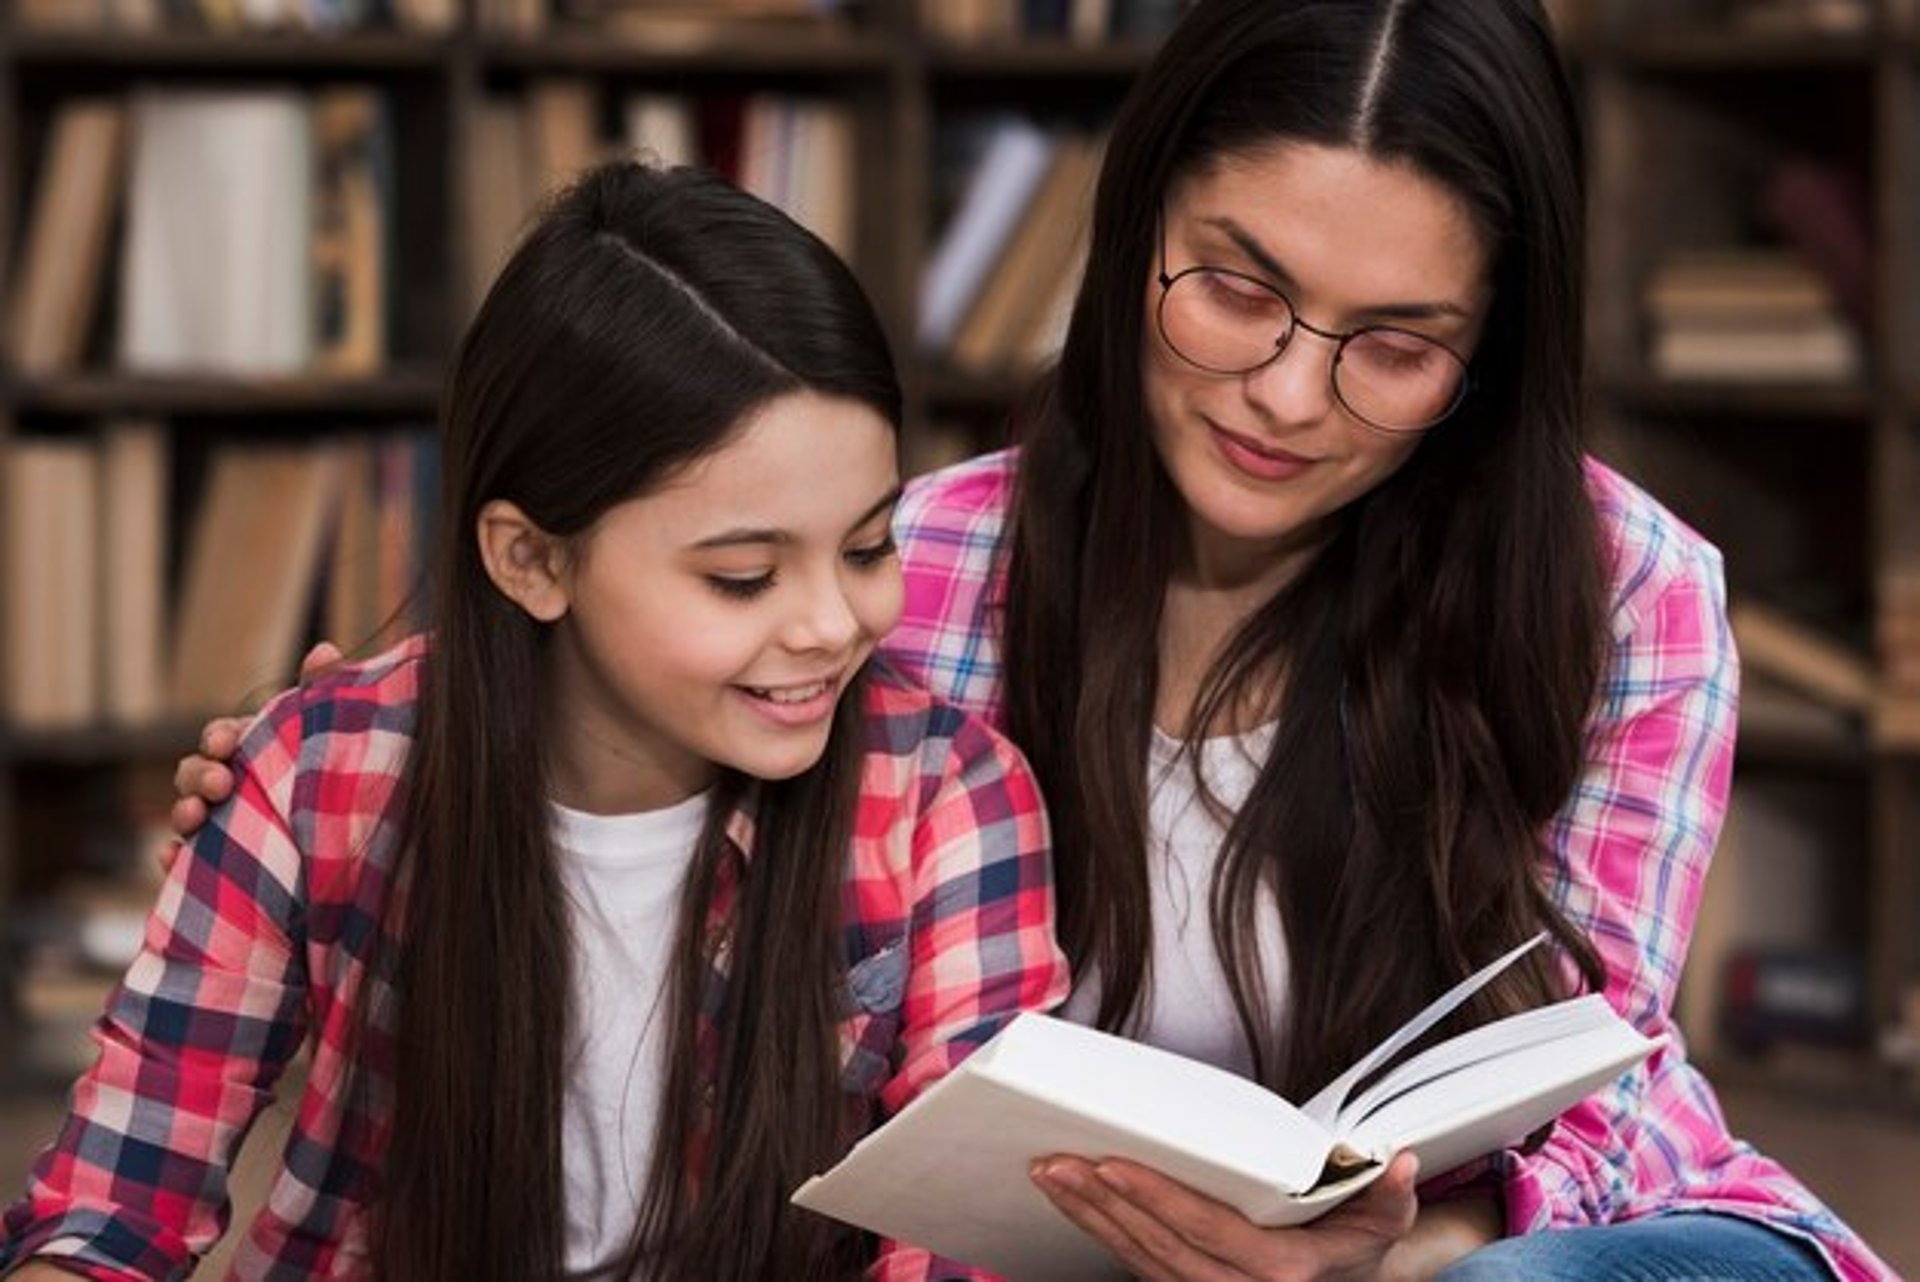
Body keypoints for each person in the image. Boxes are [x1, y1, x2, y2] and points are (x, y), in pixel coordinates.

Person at [164, 4, 1898, 1280]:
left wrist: (1401, 1254)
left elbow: (1593, 1076)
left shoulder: (1627, 590)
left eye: (1396, 342)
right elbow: (601, 751)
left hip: (1470, 1258)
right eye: (1236, 284)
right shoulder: (906, 571)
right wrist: (347, 772)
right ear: (1133, 220)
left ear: (1490, 354)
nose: (1288, 392)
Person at [0, 162, 1070, 1282]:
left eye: (865, 547)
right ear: (532, 558)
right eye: (745, 576)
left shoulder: (951, 797)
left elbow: (961, 1248)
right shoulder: (320, 775)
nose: (831, 624)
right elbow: (112, 1208)